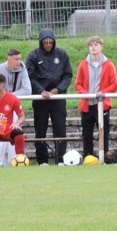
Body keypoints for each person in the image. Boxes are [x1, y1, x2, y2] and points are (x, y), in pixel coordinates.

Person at [26, 28, 72, 166]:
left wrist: (58, 89)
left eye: (50, 42)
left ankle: (60, 159)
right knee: (40, 129)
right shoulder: (33, 56)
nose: (48, 44)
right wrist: (41, 91)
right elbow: (31, 77)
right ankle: (42, 160)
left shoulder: (62, 54)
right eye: (45, 42)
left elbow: (67, 75)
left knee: (60, 129)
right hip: (40, 100)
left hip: (57, 99)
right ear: (41, 42)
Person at [73, 35, 117, 159]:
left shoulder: (109, 65)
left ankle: (104, 157)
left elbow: (115, 84)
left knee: (103, 133)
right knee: (86, 134)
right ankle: (88, 157)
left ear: (101, 46)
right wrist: (86, 94)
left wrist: (101, 94)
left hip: (102, 105)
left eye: (96, 45)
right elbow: (78, 84)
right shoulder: (83, 64)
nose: (93, 47)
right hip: (87, 105)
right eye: (91, 45)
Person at [0, 73, 26, 158]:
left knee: (19, 133)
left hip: (6, 128)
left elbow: (22, 116)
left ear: (1, 86)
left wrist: (17, 124)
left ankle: (20, 158)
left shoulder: (12, 98)